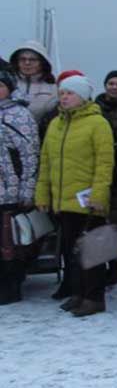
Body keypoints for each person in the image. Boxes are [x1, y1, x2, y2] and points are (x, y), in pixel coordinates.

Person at [34, 74, 115, 317]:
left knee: (92, 251)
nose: (65, 97)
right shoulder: (56, 124)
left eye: (70, 93)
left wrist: (99, 195)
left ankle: (94, 297)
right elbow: (46, 162)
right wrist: (42, 194)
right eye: (62, 93)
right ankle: (78, 292)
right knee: (71, 251)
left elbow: (104, 163)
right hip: (64, 200)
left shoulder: (98, 123)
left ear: (82, 97)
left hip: (89, 201)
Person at [0, 68, 40, 305]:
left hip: (11, 190)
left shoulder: (19, 115)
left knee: (10, 241)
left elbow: (29, 156)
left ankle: (12, 287)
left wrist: (27, 190)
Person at [96, 70, 117, 286]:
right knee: (99, 222)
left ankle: (115, 266)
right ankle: (102, 265)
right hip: (99, 170)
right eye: (111, 83)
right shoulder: (96, 108)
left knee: (116, 223)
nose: (114, 87)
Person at [9, 41, 58, 126]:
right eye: (22, 59)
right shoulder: (6, 85)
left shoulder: (54, 89)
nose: (27, 63)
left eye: (33, 60)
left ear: (42, 63)